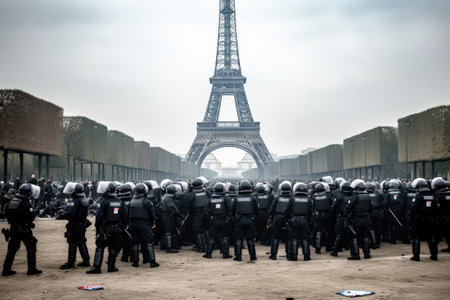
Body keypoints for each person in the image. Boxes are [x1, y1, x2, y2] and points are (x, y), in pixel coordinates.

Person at [2, 184, 42, 276]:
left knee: (12, 250)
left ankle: (6, 270)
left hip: (13, 228)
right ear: (27, 193)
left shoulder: (12, 201)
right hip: (24, 229)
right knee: (31, 247)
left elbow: (7, 214)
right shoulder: (25, 203)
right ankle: (31, 269)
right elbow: (31, 217)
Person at [87, 182, 125, 274]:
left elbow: (99, 217)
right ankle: (111, 267)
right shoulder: (120, 201)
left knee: (100, 247)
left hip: (105, 228)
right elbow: (124, 216)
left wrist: (98, 229)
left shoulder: (104, 201)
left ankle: (97, 267)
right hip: (116, 228)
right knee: (113, 248)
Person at [57, 183, 91, 269]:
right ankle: (86, 260)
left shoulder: (76, 200)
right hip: (82, 224)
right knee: (81, 241)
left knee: (72, 242)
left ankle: (71, 262)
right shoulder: (84, 199)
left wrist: (61, 216)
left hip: (75, 224)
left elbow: (71, 213)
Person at [128, 183, 159, 268]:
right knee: (149, 242)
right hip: (144, 224)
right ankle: (152, 261)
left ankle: (135, 262)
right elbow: (152, 214)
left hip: (133, 224)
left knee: (135, 243)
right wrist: (152, 223)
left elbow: (128, 214)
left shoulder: (131, 201)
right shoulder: (146, 201)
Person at [410, 178, 440, 261]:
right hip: (431, 220)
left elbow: (413, 209)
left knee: (416, 237)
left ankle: (416, 256)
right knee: (431, 237)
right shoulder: (433, 195)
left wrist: (411, 218)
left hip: (419, 220)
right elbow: (437, 208)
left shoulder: (419, 196)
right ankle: (434, 255)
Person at [344, 179, 373, 260]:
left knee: (354, 237)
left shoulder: (355, 197)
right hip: (366, 219)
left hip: (356, 219)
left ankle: (356, 255)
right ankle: (367, 254)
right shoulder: (368, 196)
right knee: (366, 237)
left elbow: (347, 208)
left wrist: (346, 217)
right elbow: (371, 208)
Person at [231, 180, 259, 262]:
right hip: (250, 220)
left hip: (239, 220)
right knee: (250, 239)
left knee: (238, 239)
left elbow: (232, 211)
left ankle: (238, 257)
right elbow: (257, 211)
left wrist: (235, 219)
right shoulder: (253, 198)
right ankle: (253, 256)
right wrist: (254, 220)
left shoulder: (236, 198)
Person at [203, 183, 232, 259]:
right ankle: (225, 254)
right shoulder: (226, 199)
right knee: (225, 236)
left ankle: (208, 253)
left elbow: (206, 211)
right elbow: (231, 209)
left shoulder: (210, 200)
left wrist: (210, 217)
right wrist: (228, 217)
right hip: (224, 220)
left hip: (214, 221)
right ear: (223, 190)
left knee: (212, 237)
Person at [287, 182, 312, 261]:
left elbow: (287, 210)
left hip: (294, 220)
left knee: (294, 238)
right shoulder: (308, 199)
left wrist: (288, 219)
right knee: (305, 238)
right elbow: (311, 211)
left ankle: (294, 256)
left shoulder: (292, 198)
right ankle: (306, 256)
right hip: (305, 220)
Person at [268, 181, 292, 260]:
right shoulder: (292, 198)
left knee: (275, 237)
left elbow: (271, 210)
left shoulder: (277, 198)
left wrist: (271, 219)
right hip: (288, 219)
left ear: (281, 189)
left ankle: (273, 255)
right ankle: (289, 254)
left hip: (278, 218)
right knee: (288, 238)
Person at [156, 184, 184, 254]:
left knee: (166, 231)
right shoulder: (169, 199)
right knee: (169, 232)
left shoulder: (164, 197)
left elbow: (157, 207)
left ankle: (164, 245)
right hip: (169, 217)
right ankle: (169, 248)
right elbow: (173, 208)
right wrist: (180, 215)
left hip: (164, 216)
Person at [190, 177, 211, 253]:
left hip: (197, 214)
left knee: (198, 230)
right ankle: (208, 246)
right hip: (207, 213)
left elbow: (187, 203)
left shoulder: (192, 194)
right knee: (206, 229)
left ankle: (200, 247)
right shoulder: (207, 192)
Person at [312, 182, 334, 254]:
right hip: (328, 215)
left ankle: (318, 249)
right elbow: (332, 204)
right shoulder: (328, 195)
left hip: (318, 215)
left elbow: (312, 207)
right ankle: (329, 248)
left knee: (319, 232)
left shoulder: (314, 196)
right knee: (329, 232)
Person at [435, 180, 450, 252]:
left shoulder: (440, 196)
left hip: (443, 217)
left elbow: (437, 207)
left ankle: (434, 249)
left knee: (439, 233)